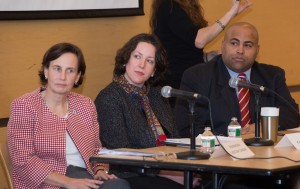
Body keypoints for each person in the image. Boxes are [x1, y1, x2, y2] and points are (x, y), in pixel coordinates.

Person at [7, 42, 130, 189]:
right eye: (57, 69)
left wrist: (101, 170)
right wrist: (68, 182)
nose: (63, 76)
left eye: (70, 71)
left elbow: (97, 149)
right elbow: (23, 160)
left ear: (78, 77)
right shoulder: (25, 106)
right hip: (48, 183)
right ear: (46, 71)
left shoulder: (85, 105)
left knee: (119, 185)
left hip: (87, 177)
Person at [94, 33, 205, 189]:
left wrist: (184, 169)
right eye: (137, 57)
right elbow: (120, 154)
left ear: (154, 70)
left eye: (149, 61)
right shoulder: (109, 97)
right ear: (126, 60)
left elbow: (175, 139)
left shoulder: (157, 94)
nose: (142, 65)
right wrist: (167, 173)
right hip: (133, 175)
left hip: (170, 167)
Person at [175, 22, 300, 138]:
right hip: (218, 156)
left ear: (257, 50)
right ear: (223, 45)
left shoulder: (272, 76)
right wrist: (234, 135)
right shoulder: (198, 76)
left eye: (248, 45)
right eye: (234, 43)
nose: (240, 50)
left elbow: (291, 115)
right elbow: (187, 127)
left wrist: (261, 126)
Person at [150, 0, 252, 108]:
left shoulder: (188, 6)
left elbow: (189, 51)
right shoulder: (169, 6)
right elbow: (199, 41)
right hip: (176, 85)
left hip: (190, 80)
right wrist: (230, 13)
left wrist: (217, 55)